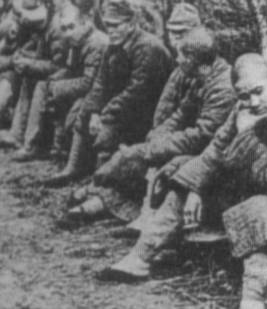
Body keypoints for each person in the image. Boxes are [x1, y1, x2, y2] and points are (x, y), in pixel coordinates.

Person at [95, 53, 267, 309]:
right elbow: (215, 151)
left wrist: (246, 134)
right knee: (184, 169)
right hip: (264, 186)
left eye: (258, 91)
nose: (253, 102)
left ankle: (254, 298)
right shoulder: (244, 108)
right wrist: (196, 189)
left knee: (258, 207)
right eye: (244, 96)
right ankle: (141, 256)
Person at [57, 26, 236, 230]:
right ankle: (94, 203)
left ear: (192, 59)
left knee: (135, 159)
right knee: (137, 159)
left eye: (180, 56)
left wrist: (157, 147)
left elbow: (202, 136)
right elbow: (181, 114)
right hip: (189, 145)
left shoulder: (222, 88)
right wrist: (158, 135)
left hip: (211, 157)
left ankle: (104, 202)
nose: (176, 61)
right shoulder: (203, 76)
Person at [45, 0, 173, 185]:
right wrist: (93, 110)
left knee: (106, 134)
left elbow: (137, 93)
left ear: (131, 24)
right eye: (108, 25)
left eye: (116, 25)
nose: (110, 30)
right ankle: (73, 168)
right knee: (84, 111)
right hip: (124, 105)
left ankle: (99, 182)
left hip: (149, 113)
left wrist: (104, 115)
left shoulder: (147, 47)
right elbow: (99, 84)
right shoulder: (113, 45)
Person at [12, 3, 109, 161]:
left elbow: (88, 82)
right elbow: (70, 68)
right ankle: (33, 145)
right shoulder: (76, 39)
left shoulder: (96, 43)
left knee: (54, 92)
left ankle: (57, 149)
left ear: (84, 22)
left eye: (71, 27)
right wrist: (55, 79)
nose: (68, 33)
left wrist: (58, 86)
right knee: (44, 85)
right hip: (85, 85)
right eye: (64, 28)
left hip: (98, 93)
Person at [0, 0, 68, 148]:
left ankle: (31, 144)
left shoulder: (57, 29)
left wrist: (30, 64)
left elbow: (60, 67)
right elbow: (36, 46)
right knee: (28, 77)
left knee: (38, 84)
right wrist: (23, 57)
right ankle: (17, 134)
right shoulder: (39, 25)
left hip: (64, 76)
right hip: (43, 67)